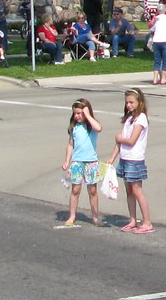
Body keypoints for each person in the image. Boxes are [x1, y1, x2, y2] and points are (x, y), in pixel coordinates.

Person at [109, 88, 153, 234]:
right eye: (127, 102)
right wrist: (112, 157)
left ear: (139, 102)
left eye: (131, 102)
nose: (128, 105)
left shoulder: (141, 118)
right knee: (128, 190)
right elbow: (120, 141)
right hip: (125, 158)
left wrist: (119, 138)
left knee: (137, 190)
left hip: (135, 159)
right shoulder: (128, 118)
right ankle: (132, 219)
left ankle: (147, 222)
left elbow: (130, 140)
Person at [60, 98, 105, 228]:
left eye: (80, 113)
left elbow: (99, 128)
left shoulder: (91, 126)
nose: (77, 116)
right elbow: (70, 145)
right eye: (75, 113)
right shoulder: (74, 128)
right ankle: (72, 215)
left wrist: (88, 115)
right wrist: (67, 160)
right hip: (77, 162)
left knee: (92, 191)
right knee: (75, 190)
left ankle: (95, 217)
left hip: (91, 162)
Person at [148, 3, 166, 84]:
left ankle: (155, 79)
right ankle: (163, 79)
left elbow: (152, 29)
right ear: (165, 10)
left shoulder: (156, 19)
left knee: (157, 61)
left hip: (156, 41)